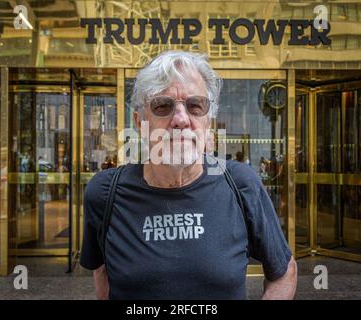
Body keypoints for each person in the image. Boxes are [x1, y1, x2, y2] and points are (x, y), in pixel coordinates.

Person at [80, 51, 297, 300]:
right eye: (163, 106)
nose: (181, 120)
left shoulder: (241, 184)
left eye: (195, 106)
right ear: (140, 122)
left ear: (208, 122)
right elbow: (102, 272)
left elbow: (283, 270)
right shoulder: (105, 193)